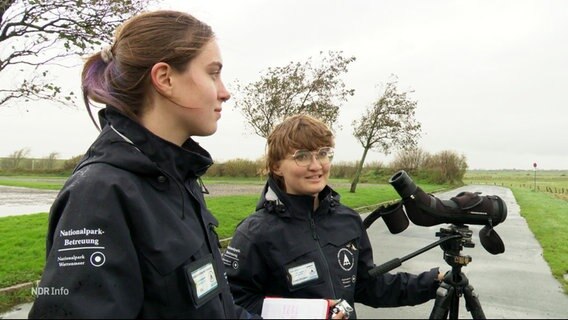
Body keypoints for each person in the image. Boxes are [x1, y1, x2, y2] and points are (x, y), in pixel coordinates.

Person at [28, 10, 258, 319]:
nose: (224, 92)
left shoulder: (180, 179)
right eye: (213, 73)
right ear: (165, 78)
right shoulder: (100, 193)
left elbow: (219, 309)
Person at [223, 114, 444, 319]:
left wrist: (431, 283)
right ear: (276, 166)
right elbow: (234, 301)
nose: (316, 166)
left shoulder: (348, 220)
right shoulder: (254, 232)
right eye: (302, 156)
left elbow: (366, 286)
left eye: (322, 153)